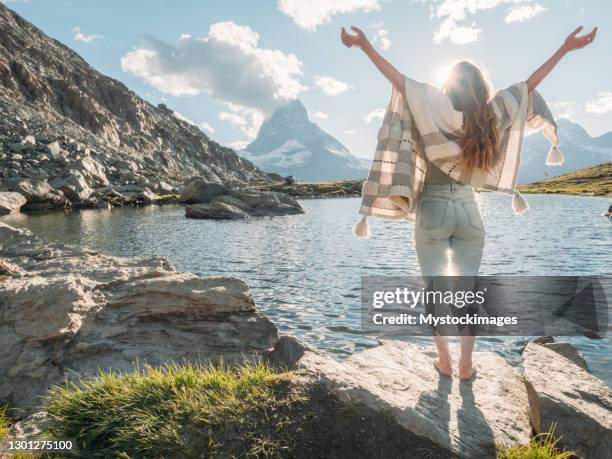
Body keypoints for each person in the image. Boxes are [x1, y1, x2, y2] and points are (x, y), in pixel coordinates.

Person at [342, 25, 597, 380]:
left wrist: (365, 45)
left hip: (432, 208)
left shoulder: (433, 105)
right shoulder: (490, 116)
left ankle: (443, 361)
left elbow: (398, 80)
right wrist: (565, 48)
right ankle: (465, 366)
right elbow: (529, 87)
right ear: (482, 89)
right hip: (468, 210)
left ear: (450, 86)